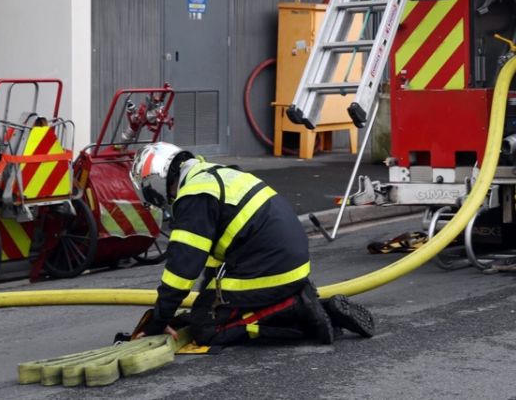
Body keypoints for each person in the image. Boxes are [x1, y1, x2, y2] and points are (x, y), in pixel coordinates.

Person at [130, 142, 375, 346]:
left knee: (206, 329)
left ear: (156, 186)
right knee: (202, 310)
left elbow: (181, 271)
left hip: (269, 270)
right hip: (288, 265)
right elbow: (216, 258)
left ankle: (300, 314)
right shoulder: (214, 174)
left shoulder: (193, 197)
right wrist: (207, 300)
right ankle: (315, 306)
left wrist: (158, 322)